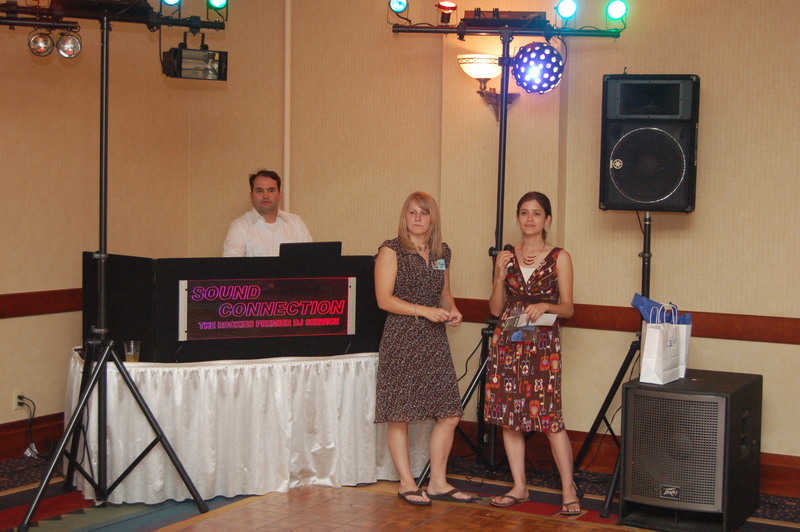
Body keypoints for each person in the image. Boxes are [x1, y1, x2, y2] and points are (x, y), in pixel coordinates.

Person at [373, 191, 477, 506]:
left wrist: (452, 310)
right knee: (400, 413)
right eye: (412, 212)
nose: (417, 218)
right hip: (401, 338)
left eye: (424, 212)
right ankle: (406, 482)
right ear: (405, 217)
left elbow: (444, 293)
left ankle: (438, 483)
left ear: (433, 218)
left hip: (434, 340)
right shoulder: (390, 250)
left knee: (450, 412)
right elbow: (384, 299)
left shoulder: (441, 252)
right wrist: (423, 311)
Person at [484, 191, 581, 515]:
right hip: (509, 342)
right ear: (518, 217)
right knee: (509, 419)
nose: (529, 218)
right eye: (524, 212)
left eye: (536, 213)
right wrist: (499, 277)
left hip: (542, 346)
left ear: (547, 219)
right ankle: (519, 486)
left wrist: (545, 306)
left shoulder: (559, 257)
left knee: (550, 419)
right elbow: (496, 309)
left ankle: (568, 491)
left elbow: (568, 308)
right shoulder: (507, 256)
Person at [222, 170, 312, 257]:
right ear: (251, 196)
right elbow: (231, 264)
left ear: (279, 195)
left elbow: (310, 259)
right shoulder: (240, 226)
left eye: (271, 190)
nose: (265, 196)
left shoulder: (296, 223)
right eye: (260, 191)